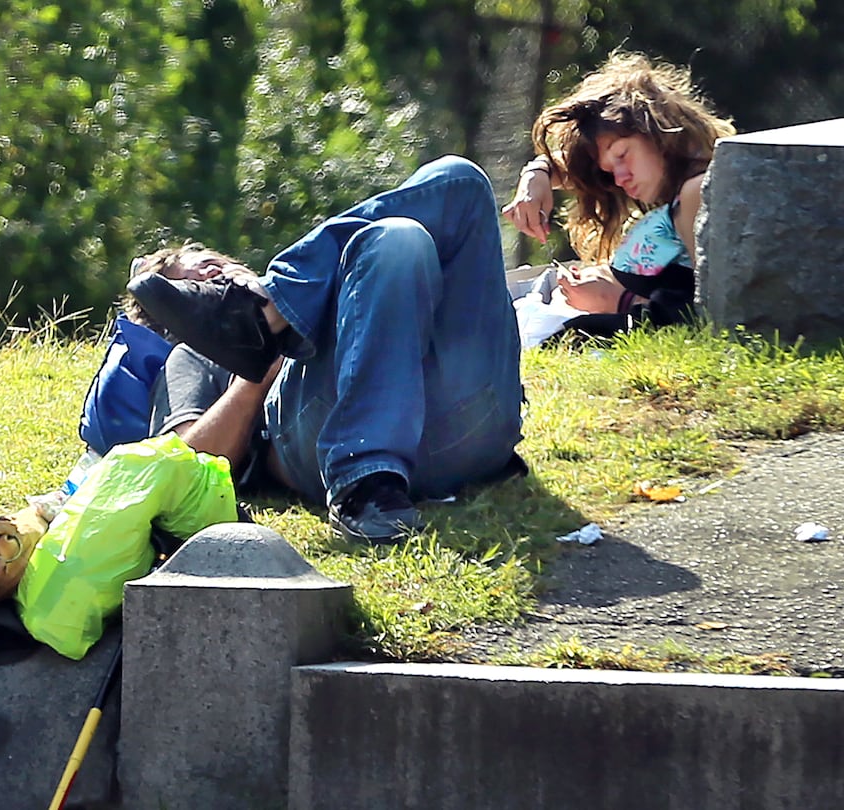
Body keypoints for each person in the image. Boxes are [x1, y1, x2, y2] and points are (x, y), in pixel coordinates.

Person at [125, 156, 525, 544]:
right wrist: (253, 376)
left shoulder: (330, 287)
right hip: (326, 446)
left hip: (472, 429)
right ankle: (365, 481)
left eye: (212, 263)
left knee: (459, 181)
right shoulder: (191, 356)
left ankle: (270, 310)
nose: (212, 272)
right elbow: (188, 465)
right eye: (191, 282)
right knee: (394, 240)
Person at [503, 51, 736, 337]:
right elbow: (573, 168)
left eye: (623, 155)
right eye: (609, 171)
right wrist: (535, 174)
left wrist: (618, 302)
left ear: (657, 130)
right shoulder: (675, 184)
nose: (620, 178)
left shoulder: (695, 192)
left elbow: (709, 315)